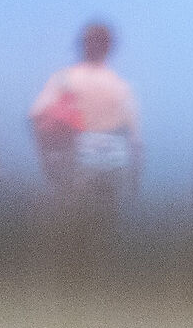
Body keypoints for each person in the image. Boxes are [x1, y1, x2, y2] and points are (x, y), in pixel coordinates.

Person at [29, 21, 142, 228]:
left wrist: (46, 161)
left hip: (77, 155)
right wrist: (135, 185)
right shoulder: (121, 86)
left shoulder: (65, 79)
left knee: (74, 226)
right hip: (115, 158)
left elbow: (36, 116)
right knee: (105, 228)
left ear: (82, 45)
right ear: (110, 47)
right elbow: (135, 141)